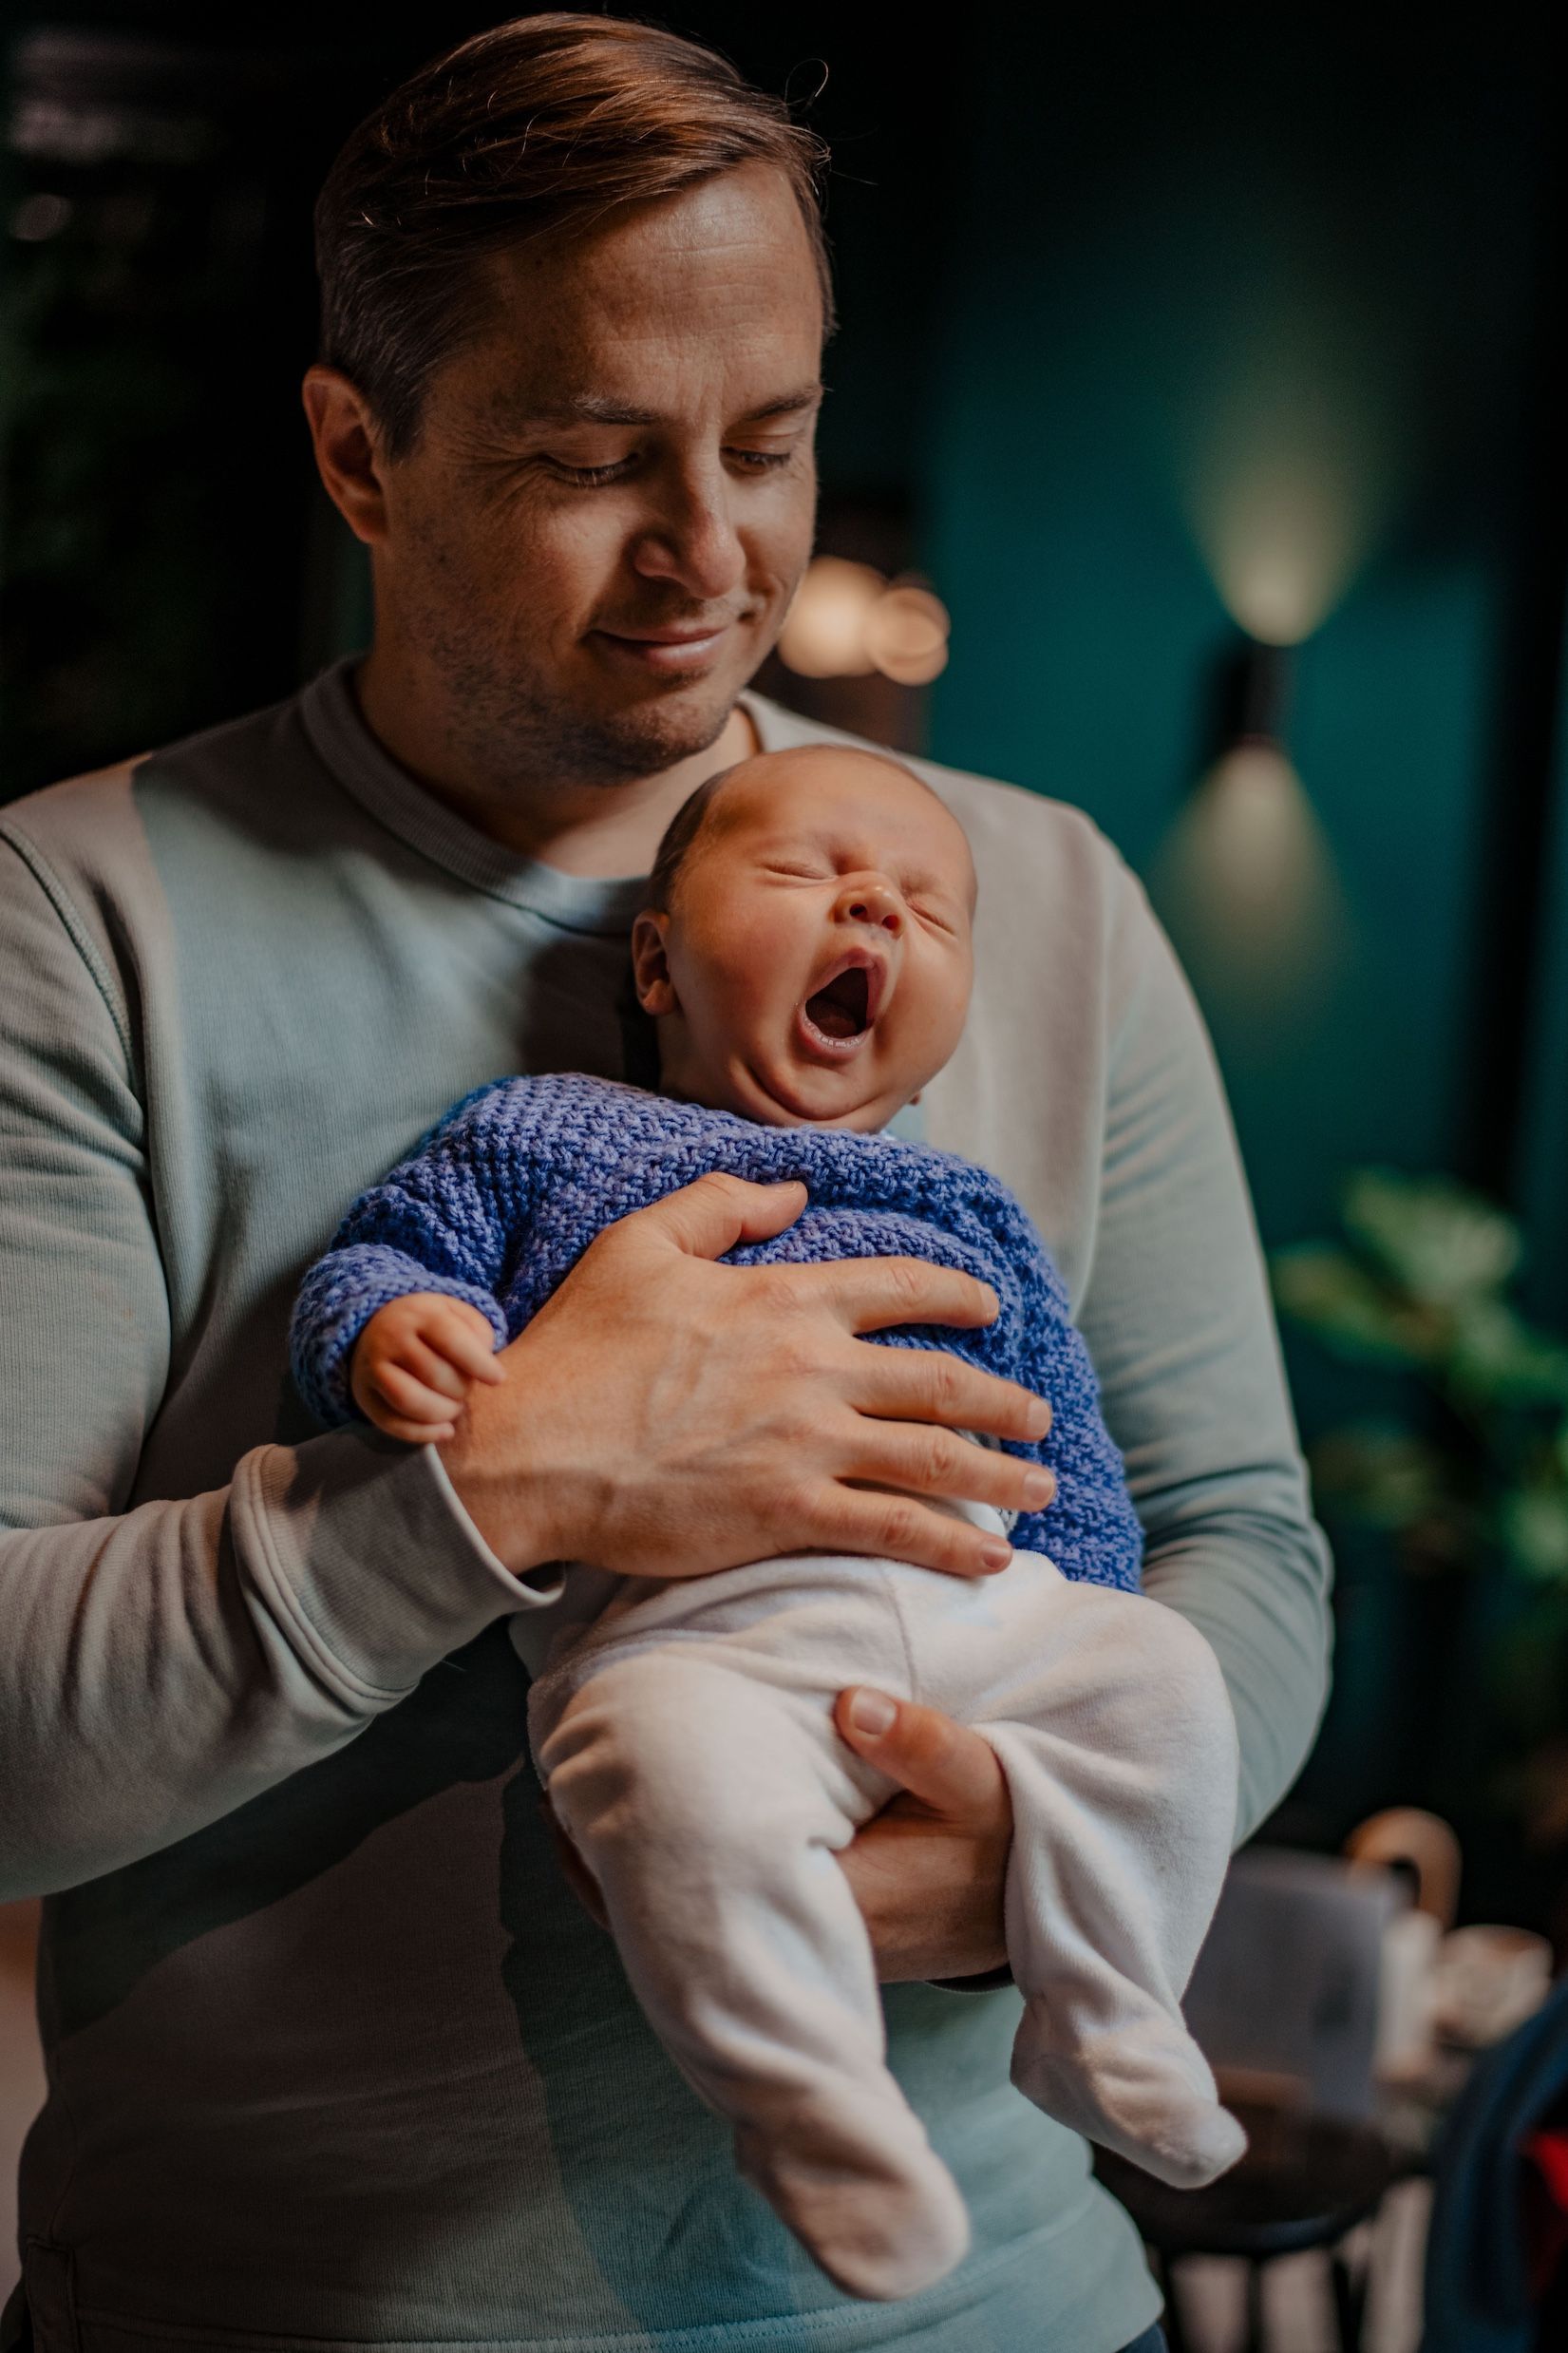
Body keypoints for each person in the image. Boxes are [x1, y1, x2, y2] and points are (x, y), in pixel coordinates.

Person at [0, 16, 1330, 2353]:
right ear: (357, 453)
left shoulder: (1037, 894)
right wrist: (514, 1481)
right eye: (592, 457)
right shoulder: (78, 915)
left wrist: (1024, 1860)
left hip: (1014, 2308)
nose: (709, 556)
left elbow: (1235, 1540)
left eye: (774, 441)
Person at [290, 744, 1246, 2301]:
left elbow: (1070, 1436)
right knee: (662, 1782)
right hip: (698, 1631)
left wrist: (1083, 1608)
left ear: (935, 1048)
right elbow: (401, 1246)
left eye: (929, 910)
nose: (875, 898)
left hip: (982, 1600)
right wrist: (387, 1327)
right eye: (809, 873)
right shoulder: (548, 1133)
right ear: (656, 960)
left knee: (1166, 1687)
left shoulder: (973, 1204)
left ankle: (1112, 2004)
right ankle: (808, 2101)